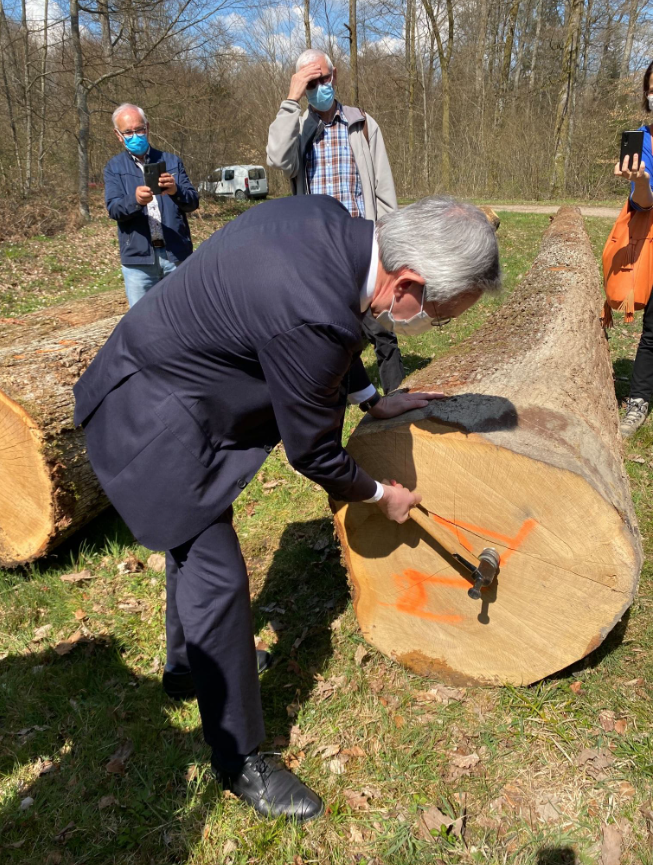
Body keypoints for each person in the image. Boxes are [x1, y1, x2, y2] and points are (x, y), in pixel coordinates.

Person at [73, 194, 500, 823]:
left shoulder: (331, 225)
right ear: (406, 282)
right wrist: (385, 496)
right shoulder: (313, 316)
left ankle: (186, 666)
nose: (432, 327)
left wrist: (368, 398)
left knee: (191, 543)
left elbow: (342, 317)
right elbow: (313, 453)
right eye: (438, 315)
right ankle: (239, 758)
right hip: (153, 419)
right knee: (216, 577)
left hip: (164, 382)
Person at [266, 48, 404, 395]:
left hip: (364, 245)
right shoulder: (297, 128)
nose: (320, 86)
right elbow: (277, 159)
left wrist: (389, 241)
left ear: (335, 75)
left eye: (323, 78)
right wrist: (291, 99)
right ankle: (344, 400)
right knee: (334, 331)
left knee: (383, 330)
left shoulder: (363, 124)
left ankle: (398, 397)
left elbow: (383, 188)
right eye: (311, 81)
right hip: (319, 251)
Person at [105, 103, 199, 307]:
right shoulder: (114, 167)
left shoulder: (171, 161)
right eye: (128, 132)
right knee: (143, 324)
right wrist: (135, 201)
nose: (135, 136)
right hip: (138, 263)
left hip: (175, 256)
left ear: (147, 127)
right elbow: (114, 209)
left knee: (183, 317)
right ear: (118, 135)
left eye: (139, 129)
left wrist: (176, 191)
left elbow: (193, 202)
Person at [613, 61, 653, 437]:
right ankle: (638, 401)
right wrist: (639, 181)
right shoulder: (645, 141)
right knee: (652, 332)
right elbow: (643, 202)